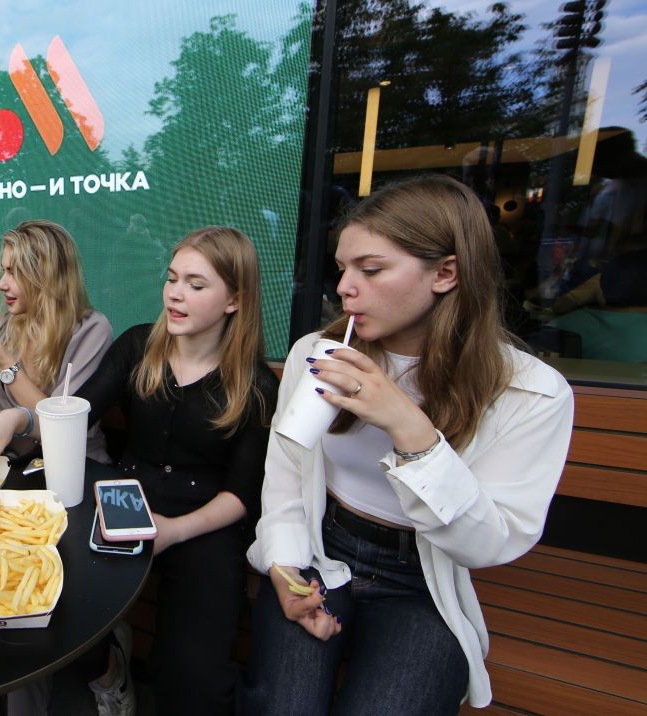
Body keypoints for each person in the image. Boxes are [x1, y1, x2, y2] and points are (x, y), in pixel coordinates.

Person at [242, 175, 575, 714]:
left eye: (370, 270)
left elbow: (491, 543)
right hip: (322, 548)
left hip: (422, 579)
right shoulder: (318, 351)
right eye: (343, 268)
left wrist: (410, 428)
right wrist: (283, 565)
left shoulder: (530, 393)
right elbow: (284, 476)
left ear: (446, 273)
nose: (345, 287)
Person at [0, 226, 279, 716]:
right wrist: (15, 416)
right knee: (57, 604)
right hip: (125, 496)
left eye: (196, 284)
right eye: (172, 278)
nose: (175, 293)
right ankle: (105, 662)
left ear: (234, 299)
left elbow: (240, 494)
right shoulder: (137, 347)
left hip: (205, 520)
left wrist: (174, 530)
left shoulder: (253, 382)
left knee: (191, 677)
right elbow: (76, 413)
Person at [0, 219, 113, 463]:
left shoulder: (92, 331)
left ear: (47, 276)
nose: (1, 284)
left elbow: (63, 426)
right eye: (4, 271)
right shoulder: (4, 327)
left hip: (75, 466)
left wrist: (5, 364)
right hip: (11, 464)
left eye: (14, 272)